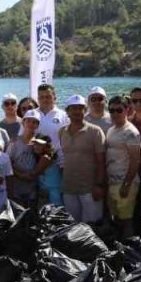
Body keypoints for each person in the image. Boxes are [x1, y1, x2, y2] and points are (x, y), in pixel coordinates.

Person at [59, 95, 106, 224]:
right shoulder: (62, 132)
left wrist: (99, 185)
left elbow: (101, 161)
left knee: (93, 226)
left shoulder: (95, 131)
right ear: (67, 111)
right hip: (69, 188)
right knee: (73, 226)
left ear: (85, 110)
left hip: (90, 188)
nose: (77, 111)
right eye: (73, 108)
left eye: (80, 108)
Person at [104, 95, 141, 236]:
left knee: (127, 220)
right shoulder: (111, 129)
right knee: (117, 219)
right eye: (111, 110)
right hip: (112, 182)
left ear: (127, 110)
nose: (115, 114)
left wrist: (126, 184)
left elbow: (135, 160)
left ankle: (130, 250)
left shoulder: (131, 132)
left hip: (125, 183)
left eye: (119, 110)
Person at [6, 110, 43, 208]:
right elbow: (8, 163)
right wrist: (21, 175)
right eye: (28, 121)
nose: (31, 124)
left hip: (32, 187)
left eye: (34, 122)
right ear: (23, 122)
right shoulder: (14, 142)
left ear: (38, 125)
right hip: (16, 186)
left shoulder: (39, 142)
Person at [35, 84, 68, 165]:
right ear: (38, 99)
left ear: (55, 98)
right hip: (35, 161)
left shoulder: (64, 116)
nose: (45, 100)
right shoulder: (32, 114)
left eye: (48, 96)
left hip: (58, 161)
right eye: (41, 97)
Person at [33, 136, 62, 207]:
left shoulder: (45, 158)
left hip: (53, 195)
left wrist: (13, 170)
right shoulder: (42, 157)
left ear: (46, 146)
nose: (36, 146)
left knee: (53, 216)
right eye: (35, 144)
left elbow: (31, 175)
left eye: (40, 144)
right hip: (47, 193)